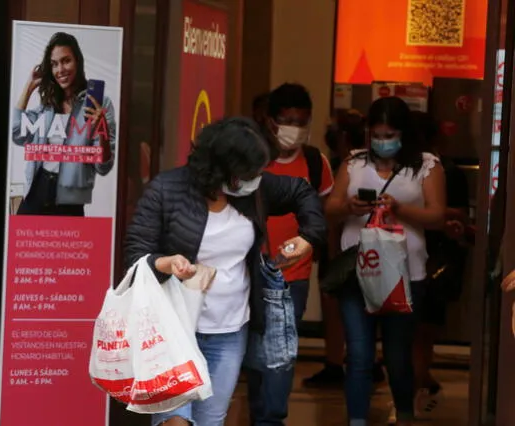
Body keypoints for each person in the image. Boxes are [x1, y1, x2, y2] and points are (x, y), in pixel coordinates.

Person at [124, 117, 327, 426]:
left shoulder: (255, 190)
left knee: (210, 420)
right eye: (248, 173)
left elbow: (301, 191)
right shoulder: (167, 189)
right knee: (173, 422)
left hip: (229, 331)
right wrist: (166, 264)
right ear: (222, 168)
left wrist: (308, 237)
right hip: (171, 330)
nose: (256, 178)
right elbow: (136, 252)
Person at [325, 96, 446, 426]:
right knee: (360, 354)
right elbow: (330, 208)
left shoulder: (426, 165)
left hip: (405, 274)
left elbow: (437, 215)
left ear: (403, 133)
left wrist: (400, 209)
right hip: (357, 273)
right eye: (376, 134)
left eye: (389, 134)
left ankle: (404, 415)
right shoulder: (353, 164)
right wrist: (350, 207)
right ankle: (357, 420)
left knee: (397, 355)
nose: (382, 141)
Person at [246, 83, 333, 425]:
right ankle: (260, 414)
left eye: (301, 121)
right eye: (287, 120)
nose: (294, 128)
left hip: (293, 276)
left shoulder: (314, 162)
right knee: (256, 351)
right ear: (270, 120)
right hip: (250, 272)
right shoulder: (252, 158)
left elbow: (323, 213)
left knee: (280, 352)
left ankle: (272, 419)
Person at [385, 111, 470, 423]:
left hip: (436, 262)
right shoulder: (393, 170)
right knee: (403, 338)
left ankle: (413, 393)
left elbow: (458, 215)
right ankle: (420, 388)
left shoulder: (446, 171)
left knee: (420, 335)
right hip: (397, 258)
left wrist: (427, 209)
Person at [303, 109, 386, 388]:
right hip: (356, 250)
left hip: (345, 251)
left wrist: (330, 252)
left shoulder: (345, 166)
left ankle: (339, 362)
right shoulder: (351, 165)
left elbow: (330, 214)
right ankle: (359, 361)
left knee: (342, 308)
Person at [12, 32, 116, 216]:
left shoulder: (100, 104)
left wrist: (103, 131)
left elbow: (103, 166)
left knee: (70, 244)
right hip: (37, 191)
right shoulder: (47, 105)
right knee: (26, 244)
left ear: (78, 61)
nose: (60, 69)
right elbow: (17, 133)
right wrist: (28, 89)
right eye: (54, 64)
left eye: (66, 60)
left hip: (70, 199)